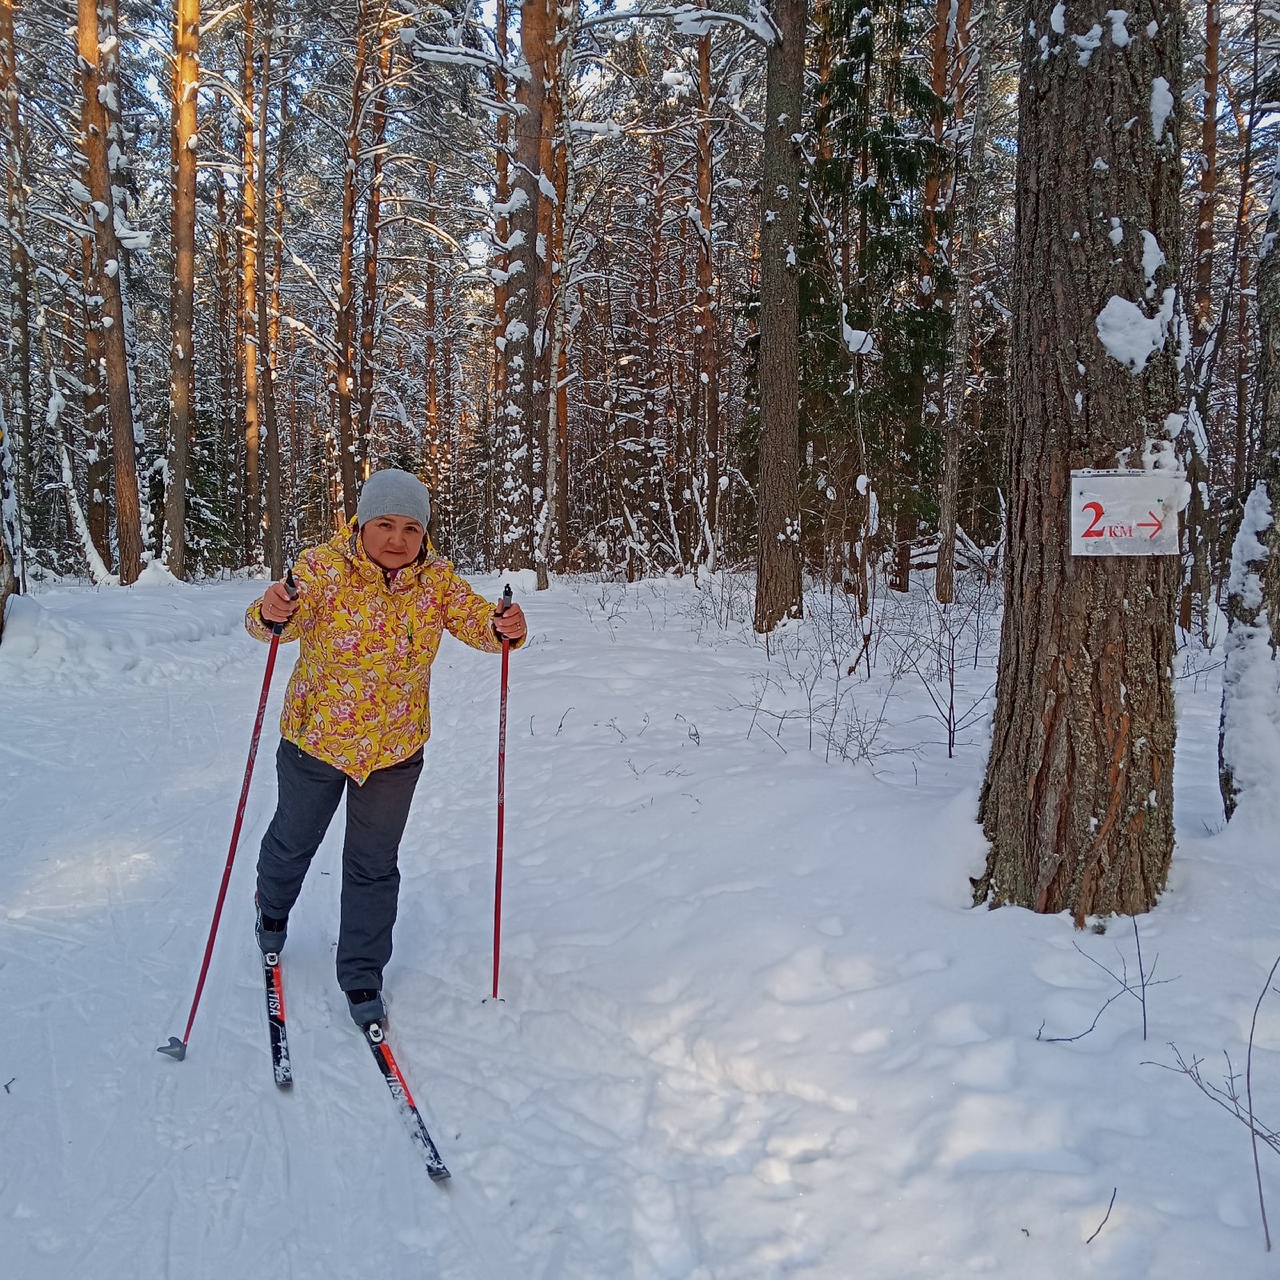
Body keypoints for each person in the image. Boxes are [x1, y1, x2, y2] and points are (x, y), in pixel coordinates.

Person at [244, 468, 527, 1027]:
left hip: (395, 751)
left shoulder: (438, 582)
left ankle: (362, 973)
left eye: (411, 528)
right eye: (385, 524)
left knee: (374, 865)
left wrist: (506, 627)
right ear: (361, 523)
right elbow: (271, 621)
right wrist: (270, 610)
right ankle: (271, 914)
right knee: (293, 840)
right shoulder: (322, 568)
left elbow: (482, 626)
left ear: (424, 534)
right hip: (314, 740)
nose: (398, 539)